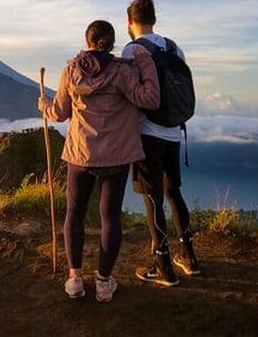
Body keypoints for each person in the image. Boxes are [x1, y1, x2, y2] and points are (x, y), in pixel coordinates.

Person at [38, 20, 160, 303]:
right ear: (113, 42)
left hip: (80, 156)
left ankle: (75, 280)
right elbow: (150, 99)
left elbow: (58, 113)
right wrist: (146, 62)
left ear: (87, 40)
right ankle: (104, 283)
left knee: (75, 215)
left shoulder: (72, 71)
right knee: (109, 218)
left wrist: (43, 104)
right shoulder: (123, 72)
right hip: (116, 158)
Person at [121, 0, 201, 287]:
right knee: (173, 192)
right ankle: (189, 257)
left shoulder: (132, 49)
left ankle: (164, 265)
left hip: (148, 133)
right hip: (173, 131)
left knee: (152, 199)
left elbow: (130, 91)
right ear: (154, 19)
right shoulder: (174, 47)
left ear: (130, 22)